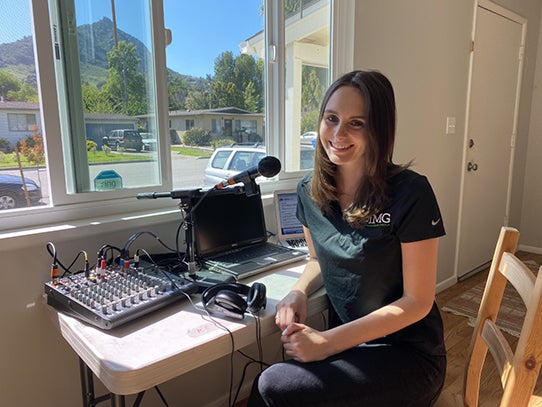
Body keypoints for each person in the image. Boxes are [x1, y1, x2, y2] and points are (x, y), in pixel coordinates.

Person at [248, 70, 446, 406]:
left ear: (379, 129)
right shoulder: (308, 193)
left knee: (273, 385)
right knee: (284, 380)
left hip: (408, 354)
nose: (338, 133)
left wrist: (327, 343)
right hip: (350, 345)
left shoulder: (411, 192)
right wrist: (298, 291)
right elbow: (316, 259)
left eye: (357, 123)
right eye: (331, 118)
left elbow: (418, 302)